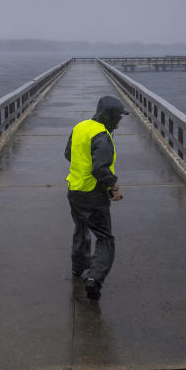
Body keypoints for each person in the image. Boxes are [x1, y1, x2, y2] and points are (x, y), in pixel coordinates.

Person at [65, 95, 129, 300]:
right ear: (110, 117)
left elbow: (68, 154)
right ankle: (95, 278)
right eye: (119, 117)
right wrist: (114, 187)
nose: (120, 120)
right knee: (104, 237)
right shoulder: (102, 136)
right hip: (93, 194)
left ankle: (79, 267)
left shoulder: (81, 126)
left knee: (81, 229)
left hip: (74, 190)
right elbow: (101, 168)